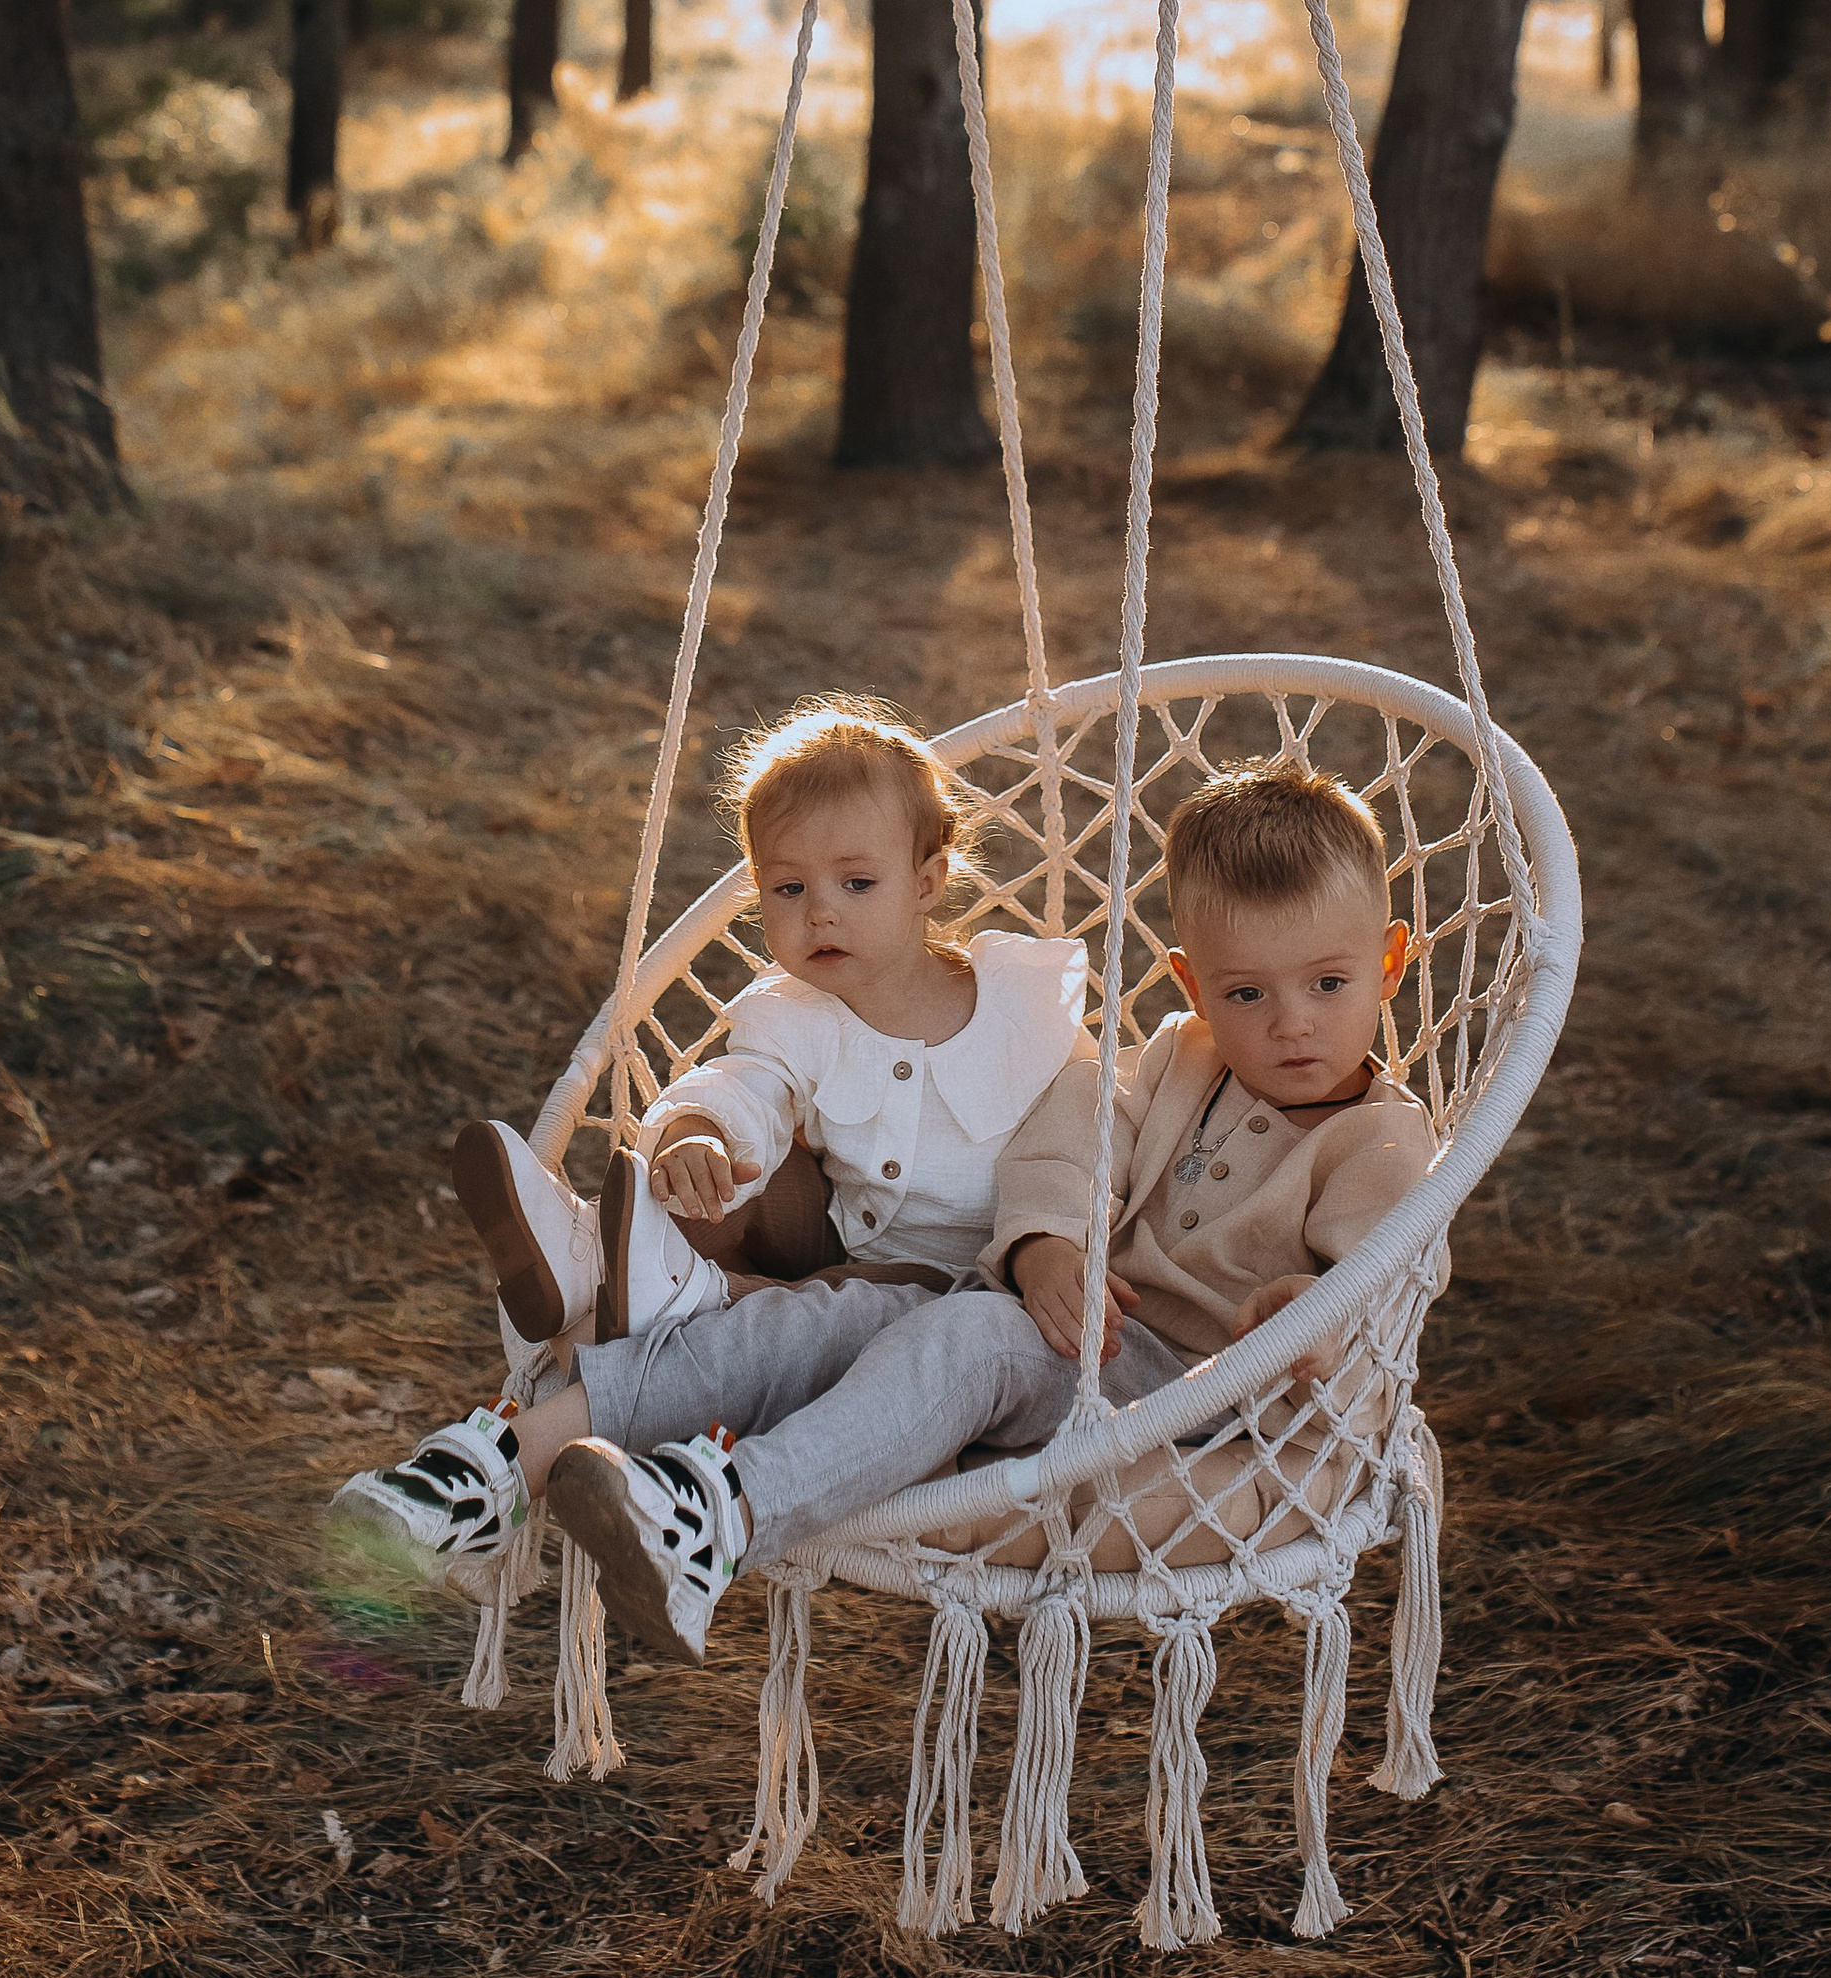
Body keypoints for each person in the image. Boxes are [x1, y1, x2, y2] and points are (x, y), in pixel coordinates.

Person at [540, 755, 1440, 1658]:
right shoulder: (1180, 1058)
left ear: (1391, 962)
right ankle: (532, 1443)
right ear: (1195, 986)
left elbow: (1376, 1283)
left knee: (969, 1340)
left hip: (1201, 1394)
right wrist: (1045, 1239)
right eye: (1246, 993)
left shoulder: (1383, 1146)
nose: (1292, 1023)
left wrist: (1307, 1322)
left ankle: (718, 1518)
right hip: (1081, 1337)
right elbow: (1073, 1132)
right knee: (858, 1315)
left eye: (1329, 984)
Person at [337, 697, 1087, 1571]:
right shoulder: (794, 1013)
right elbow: (750, 1085)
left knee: (835, 1286)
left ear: (927, 882)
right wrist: (696, 1128)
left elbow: (1085, 1138)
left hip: (948, 1287)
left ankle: (664, 1294)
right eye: (788, 888)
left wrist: (1053, 1242)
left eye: (857, 883)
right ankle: (596, 1252)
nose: (820, 915)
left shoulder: (1019, 1009)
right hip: (829, 1237)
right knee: (729, 1163)